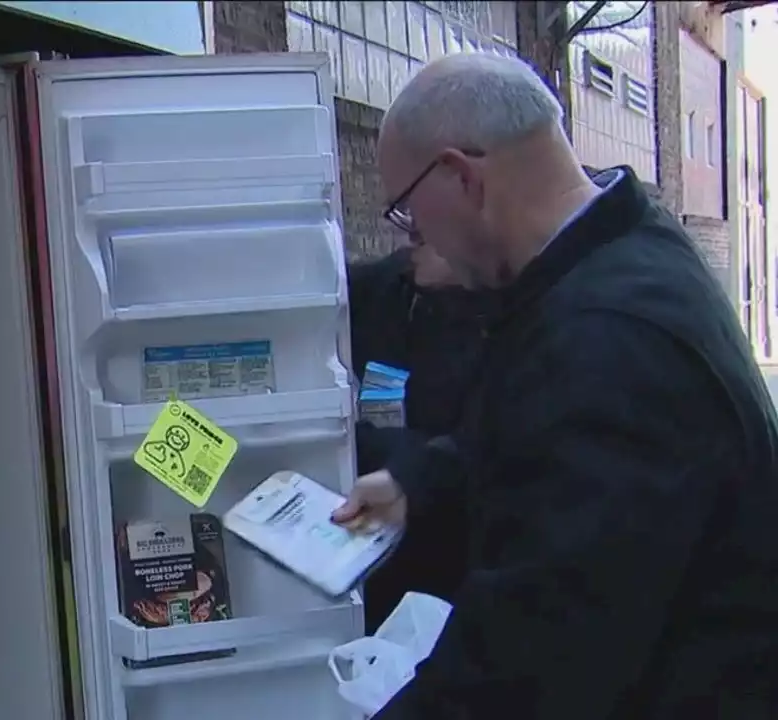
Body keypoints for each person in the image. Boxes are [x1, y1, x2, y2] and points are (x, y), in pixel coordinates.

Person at [333, 52, 778, 718]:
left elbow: (525, 670)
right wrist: (419, 481)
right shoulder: (624, 247)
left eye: (407, 214)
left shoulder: (609, 339)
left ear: (458, 175)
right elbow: (538, 432)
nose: (417, 239)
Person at [347, 242, 487, 630]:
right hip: (370, 561)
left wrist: (407, 466)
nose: (414, 230)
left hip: (455, 577)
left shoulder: (525, 320)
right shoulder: (390, 287)